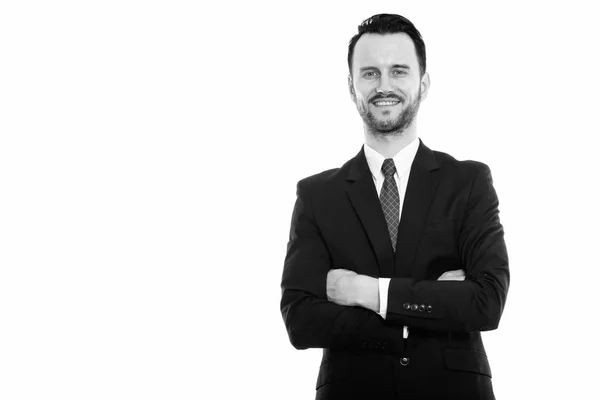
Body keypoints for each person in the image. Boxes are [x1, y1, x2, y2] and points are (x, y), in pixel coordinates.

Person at [280, 13, 509, 400]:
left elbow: (486, 302)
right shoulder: (318, 195)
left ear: (424, 82)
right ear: (351, 87)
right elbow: (301, 320)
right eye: (370, 73)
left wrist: (366, 291)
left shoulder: (468, 182)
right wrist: (430, 308)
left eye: (398, 71)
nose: (384, 85)